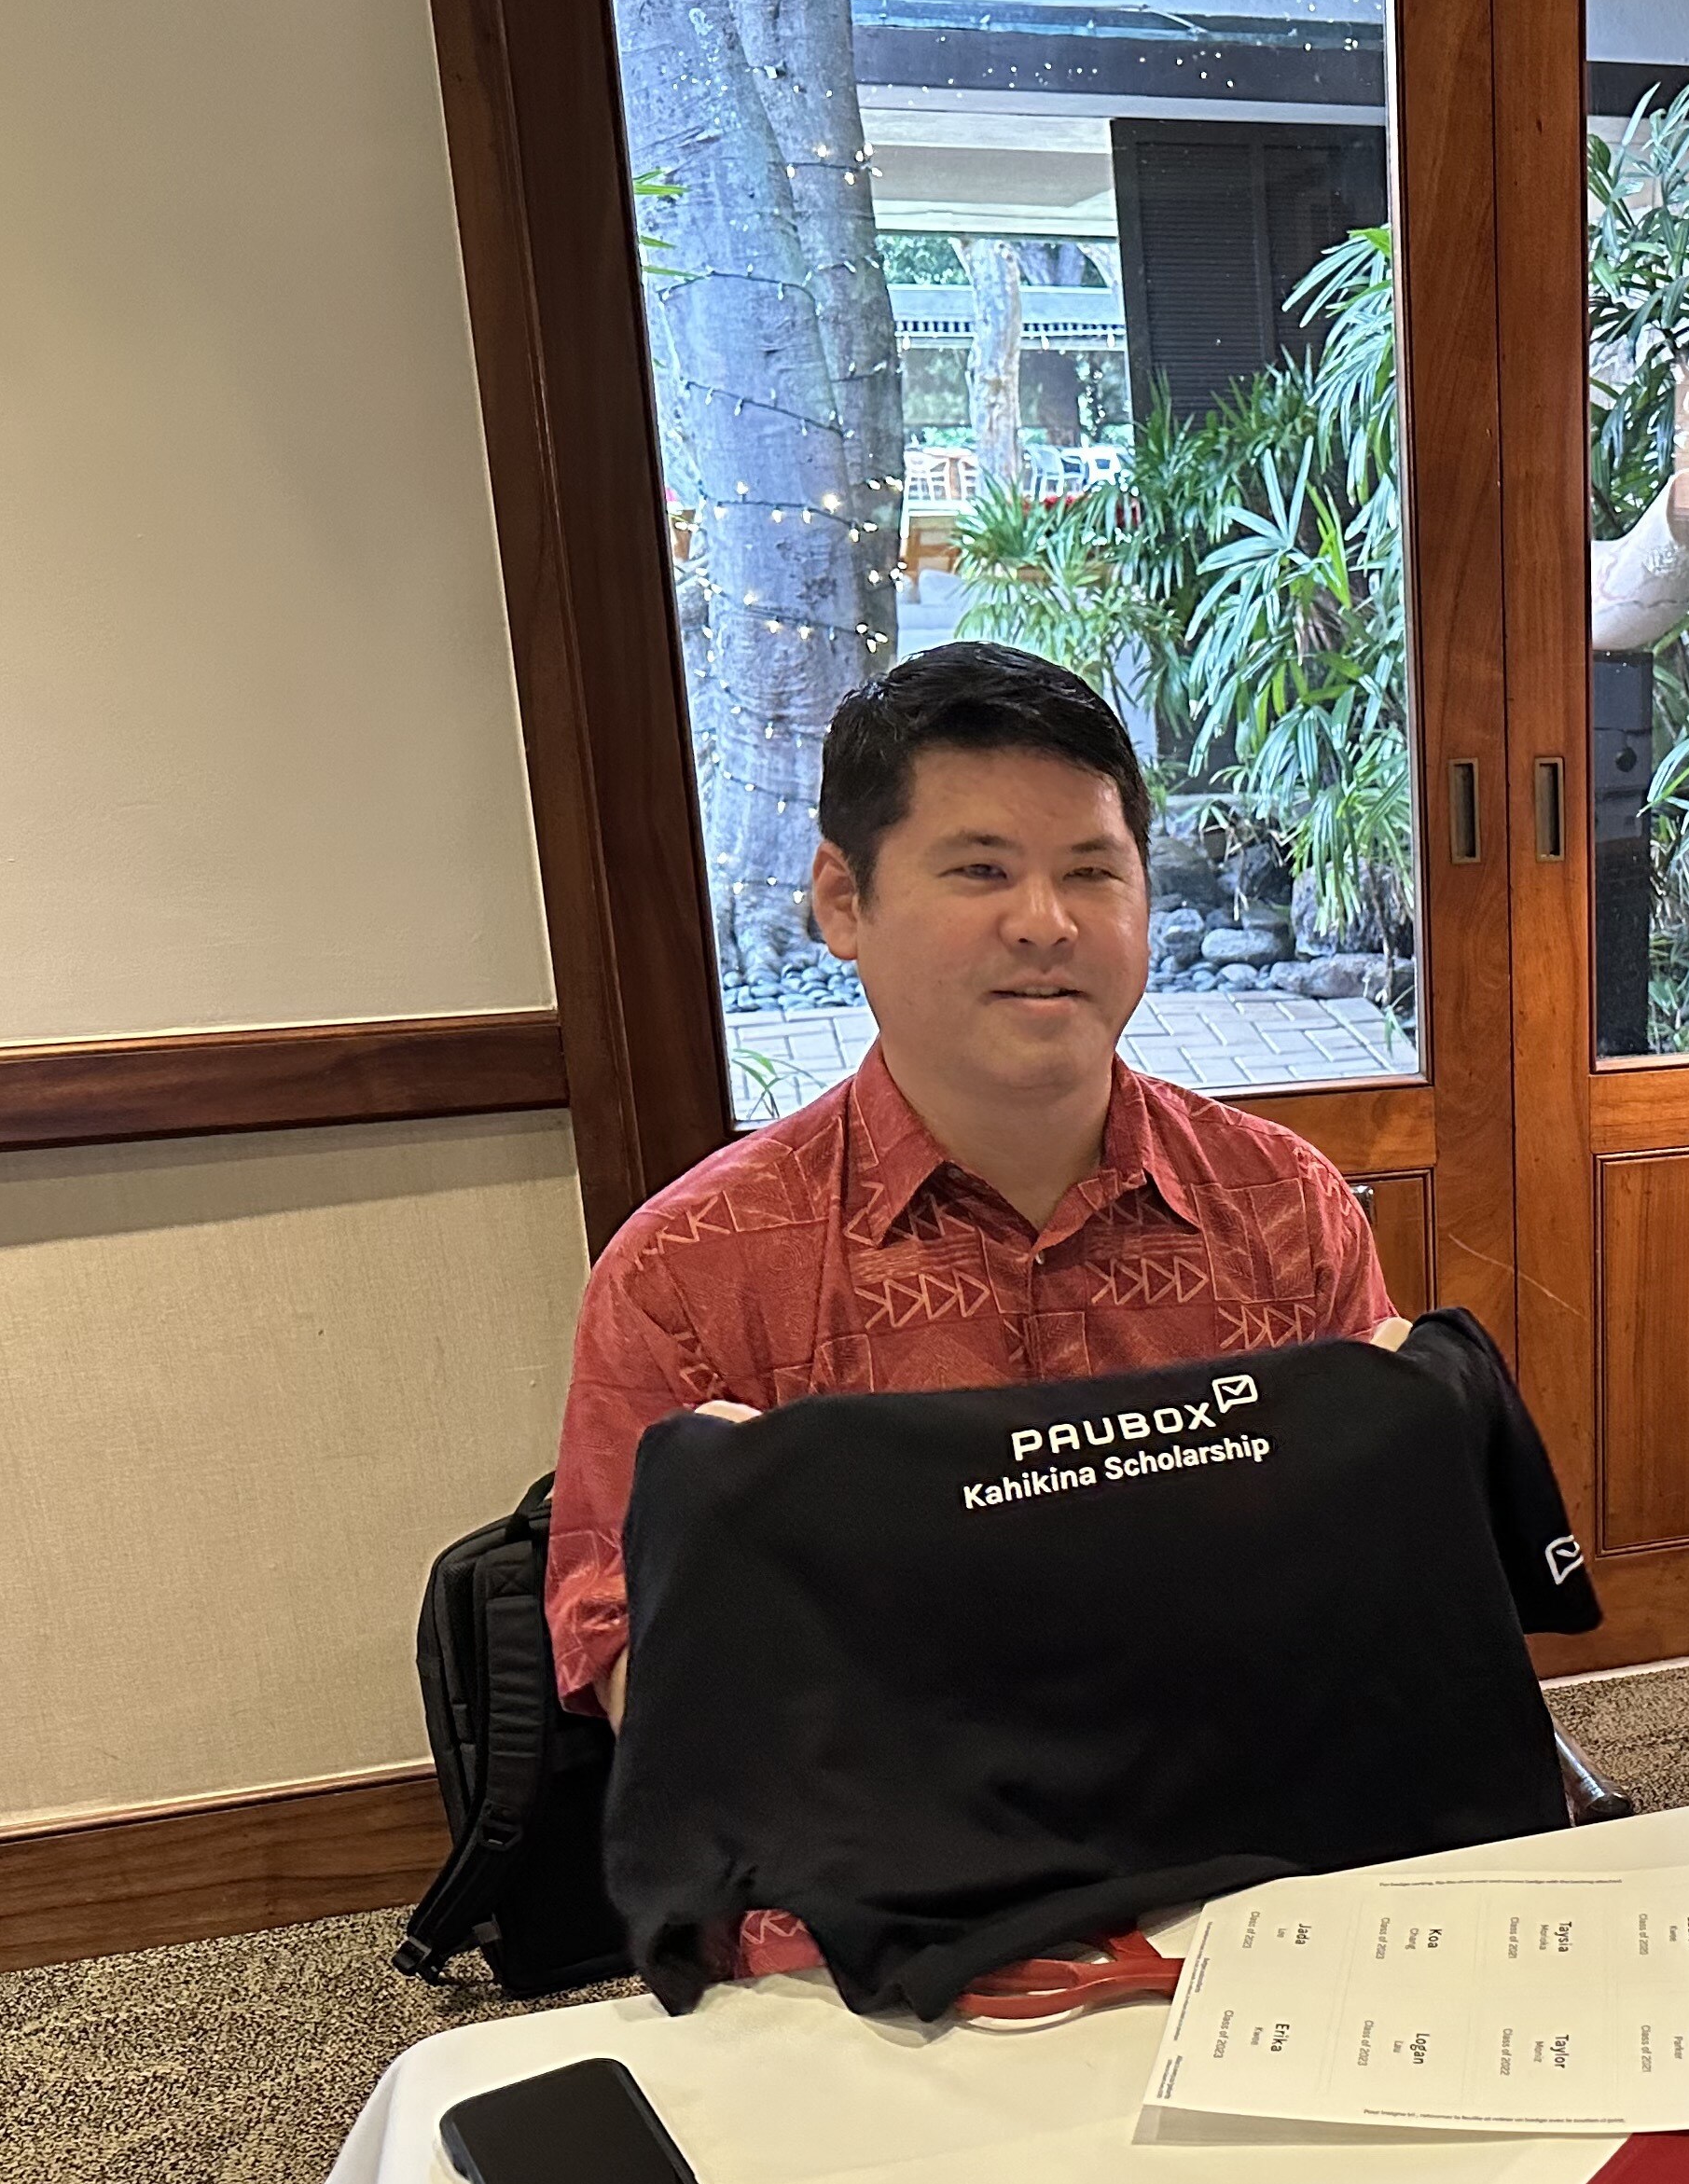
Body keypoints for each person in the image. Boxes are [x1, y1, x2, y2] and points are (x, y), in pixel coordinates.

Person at [547, 642, 1396, 1723]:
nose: (1046, 921)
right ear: (843, 900)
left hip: (1259, 1835)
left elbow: (1376, 1560)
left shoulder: (1284, 1205)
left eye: (1092, 870)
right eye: (982, 869)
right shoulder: (688, 1269)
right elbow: (624, 1657)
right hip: (886, 1864)